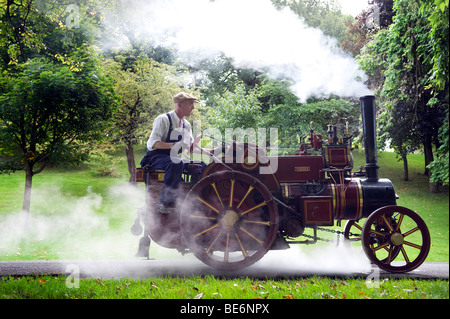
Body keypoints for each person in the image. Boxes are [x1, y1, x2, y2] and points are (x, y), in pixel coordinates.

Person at [140, 92, 205, 214]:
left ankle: (198, 200)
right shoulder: (163, 120)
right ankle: (165, 202)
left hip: (174, 158)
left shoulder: (186, 125)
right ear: (180, 105)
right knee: (177, 163)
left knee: (202, 166)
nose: (193, 107)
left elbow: (190, 148)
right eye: (191, 104)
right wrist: (175, 146)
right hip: (155, 157)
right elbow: (153, 144)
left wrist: (213, 152)